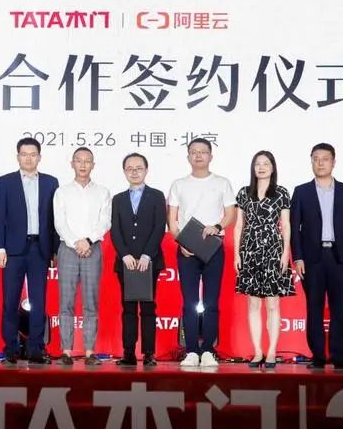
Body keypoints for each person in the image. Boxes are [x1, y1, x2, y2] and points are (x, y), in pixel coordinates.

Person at [291, 143, 343, 370]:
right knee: (314, 307)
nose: (320, 163)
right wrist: (298, 257)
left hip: (340, 258)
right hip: (312, 259)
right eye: (316, 158)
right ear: (311, 161)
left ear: (334, 162)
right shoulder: (301, 192)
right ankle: (318, 356)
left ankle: (339, 356)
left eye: (325, 159)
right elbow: (295, 229)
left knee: (339, 308)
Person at [167, 138, 236, 368]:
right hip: (187, 249)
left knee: (211, 301)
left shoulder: (222, 183)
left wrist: (217, 226)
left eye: (203, 152)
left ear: (210, 156)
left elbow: (230, 214)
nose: (198, 156)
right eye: (194, 152)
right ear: (188, 157)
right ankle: (191, 351)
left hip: (213, 246)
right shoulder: (179, 184)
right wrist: (181, 242)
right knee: (189, 302)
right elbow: (172, 220)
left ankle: (208, 349)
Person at [0, 137, 59, 366]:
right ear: (18, 156)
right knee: (10, 301)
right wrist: (0, 247)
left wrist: (54, 251)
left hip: (40, 249)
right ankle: (11, 348)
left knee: (39, 302)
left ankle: (36, 348)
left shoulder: (51, 182)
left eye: (33, 154)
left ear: (39, 157)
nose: (28, 158)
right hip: (13, 250)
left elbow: (55, 220)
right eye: (24, 154)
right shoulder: (6, 182)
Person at [233, 151, 295, 369]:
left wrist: (285, 252)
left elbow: (285, 225)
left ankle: (272, 351)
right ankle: (258, 351)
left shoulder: (281, 192)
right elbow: (239, 226)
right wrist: (237, 254)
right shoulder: (244, 192)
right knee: (253, 303)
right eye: (257, 164)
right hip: (250, 250)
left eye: (265, 164)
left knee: (272, 303)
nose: (261, 167)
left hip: (273, 250)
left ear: (273, 167)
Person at [53, 147, 111, 366]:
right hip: (68, 249)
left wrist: (88, 240)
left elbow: (105, 221)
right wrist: (75, 242)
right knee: (66, 302)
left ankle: (89, 351)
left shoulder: (103, 192)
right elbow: (59, 222)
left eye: (87, 161)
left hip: (92, 249)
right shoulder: (62, 192)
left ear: (93, 165)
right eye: (79, 160)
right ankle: (66, 351)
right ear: (72, 164)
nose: (83, 165)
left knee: (90, 302)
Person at [110, 153, 166, 367]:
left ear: (146, 170)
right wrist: (124, 254)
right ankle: (128, 353)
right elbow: (115, 230)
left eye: (139, 168)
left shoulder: (157, 196)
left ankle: (149, 353)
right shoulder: (118, 199)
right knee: (129, 308)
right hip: (125, 263)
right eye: (130, 168)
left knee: (149, 307)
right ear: (124, 171)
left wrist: (146, 255)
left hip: (149, 261)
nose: (134, 172)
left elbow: (159, 227)